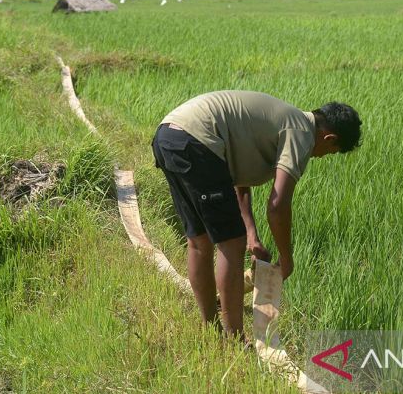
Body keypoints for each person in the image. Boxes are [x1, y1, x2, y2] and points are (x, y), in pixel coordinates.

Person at [151, 91, 361, 339]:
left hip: (169, 136)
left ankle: (211, 329)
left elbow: (239, 182)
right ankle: (234, 337)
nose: (322, 156)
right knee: (230, 244)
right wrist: (286, 256)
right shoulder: (302, 133)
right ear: (329, 138)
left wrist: (251, 234)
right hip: (197, 142)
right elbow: (278, 205)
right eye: (331, 151)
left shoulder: (285, 120)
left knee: (200, 240)